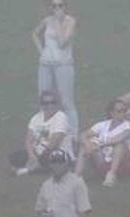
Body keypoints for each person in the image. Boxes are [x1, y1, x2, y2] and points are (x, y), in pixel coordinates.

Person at [32, 0, 77, 133]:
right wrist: (42, 51)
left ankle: (72, 133)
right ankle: (42, 131)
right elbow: (34, 34)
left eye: (60, 5)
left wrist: (57, 22)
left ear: (65, 6)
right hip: (45, 65)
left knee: (66, 101)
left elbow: (62, 42)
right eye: (54, 6)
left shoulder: (70, 21)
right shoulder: (46, 20)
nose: (57, 8)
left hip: (63, 65)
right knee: (43, 98)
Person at [77, 99, 130, 186]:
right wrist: (88, 145)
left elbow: (119, 138)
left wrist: (98, 144)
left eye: (125, 110)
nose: (123, 113)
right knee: (85, 145)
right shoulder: (103, 125)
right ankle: (77, 176)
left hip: (125, 162)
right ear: (112, 113)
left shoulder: (128, 125)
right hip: (104, 160)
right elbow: (83, 134)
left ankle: (111, 175)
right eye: (119, 111)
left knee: (120, 145)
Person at [10, 91, 71, 176]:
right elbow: (28, 140)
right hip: (37, 152)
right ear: (42, 105)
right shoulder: (36, 118)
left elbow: (55, 142)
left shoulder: (61, 117)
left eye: (52, 102)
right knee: (16, 157)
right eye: (46, 103)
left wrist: (39, 157)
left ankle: (29, 170)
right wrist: (31, 155)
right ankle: (35, 167)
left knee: (55, 158)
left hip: (56, 151)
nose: (50, 105)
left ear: (56, 104)